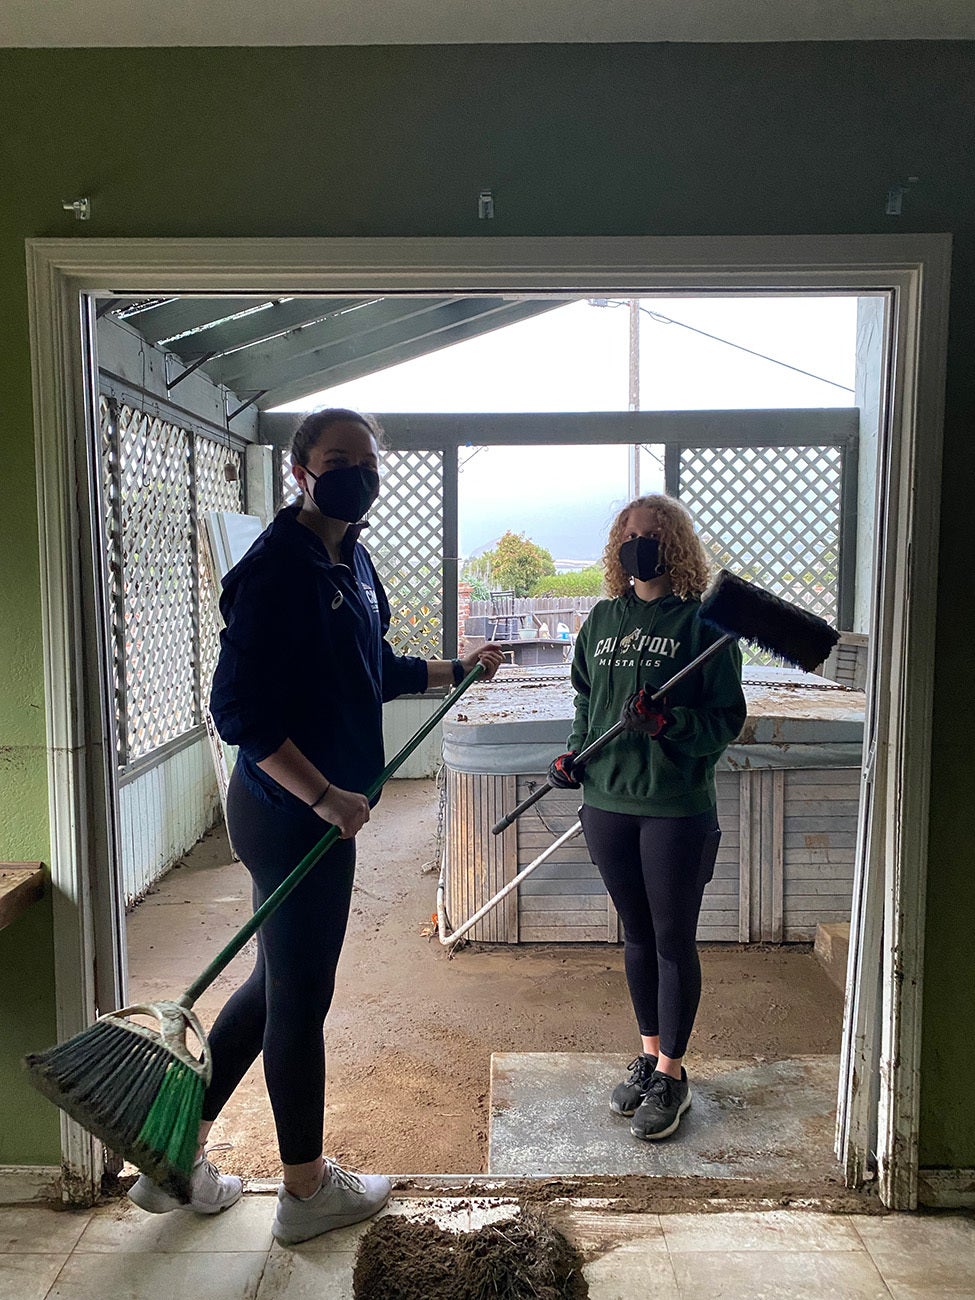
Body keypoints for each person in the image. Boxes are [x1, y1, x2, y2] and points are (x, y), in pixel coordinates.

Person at [127, 407, 504, 1241]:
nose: (355, 474)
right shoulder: (276, 570)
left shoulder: (349, 558)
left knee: (272, 986)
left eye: (366, 461)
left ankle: (173, 1156)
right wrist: (325, 796)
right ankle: (304, 1194)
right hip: (289, 817)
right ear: (301, 469)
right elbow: (239, 714)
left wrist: (454, 668)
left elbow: (371, 668)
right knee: (302, 996)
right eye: (338, 460)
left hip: (317, 815)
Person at [548, 494, 746, 1141]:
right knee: (634, 935)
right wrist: (575, 754)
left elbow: (724, 722)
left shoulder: (702, 629)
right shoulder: (602, 619)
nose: (638, 544)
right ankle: (647, 1049)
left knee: (669, 939)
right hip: (606, 800)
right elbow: (587, 700)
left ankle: (672, 1072)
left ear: (674, 545)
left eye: (652, 535)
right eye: (629, 535)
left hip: (672, 808)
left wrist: (669, 723)